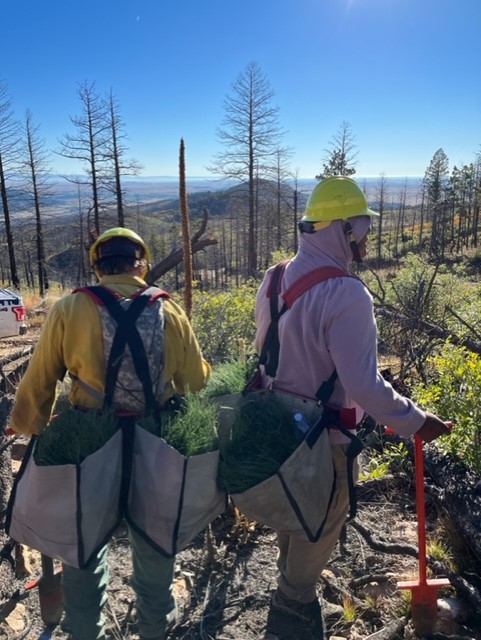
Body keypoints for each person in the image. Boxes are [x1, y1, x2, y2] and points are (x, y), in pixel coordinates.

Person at [254, 176, 450, 638]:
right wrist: (416, 421)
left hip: (276, 426)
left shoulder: (276, 276)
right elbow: (363, 386)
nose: (366, 239)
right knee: (320, 522)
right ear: (342, 230)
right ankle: (292, 609)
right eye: (362, 229)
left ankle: (291, 588)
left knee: (295, 512)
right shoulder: (346, 294)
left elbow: (269, 352)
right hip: (325, 439)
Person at [9, 227, 211, 640]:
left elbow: (41, 379)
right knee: (156, 545)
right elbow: (195, 381)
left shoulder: (69, 308)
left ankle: (85, 631)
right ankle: (154, 628)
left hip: (90, 445)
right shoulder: (169, 310)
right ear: (142, 264)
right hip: (156, 444)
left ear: (97, 267)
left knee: (83, 546)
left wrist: (31, 428)